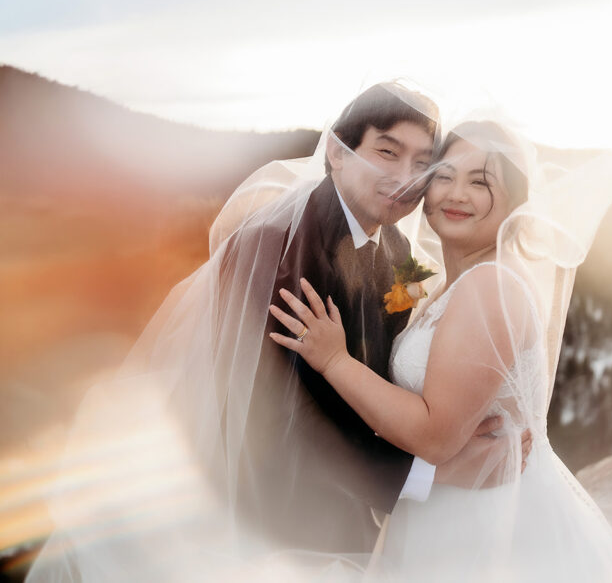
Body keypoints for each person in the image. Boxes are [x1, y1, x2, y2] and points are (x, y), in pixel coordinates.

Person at [26, 83, 529, 582]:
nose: (404, 178)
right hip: (255, 522)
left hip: (332, 518)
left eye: (422, 164)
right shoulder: (276, 247)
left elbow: (380, 378)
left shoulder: (396, 253)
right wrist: (430, 473)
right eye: (387, 152)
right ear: (336, 151)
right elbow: (287, 409)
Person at [271, 119, 612, 581]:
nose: (455, 194)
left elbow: (435, 436)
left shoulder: (490, 285)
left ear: (515, 200)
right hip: (446, 509)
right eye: (443, 176)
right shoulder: (445, 283)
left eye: (479, 182)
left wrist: (334, 361)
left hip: (481, 523)